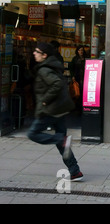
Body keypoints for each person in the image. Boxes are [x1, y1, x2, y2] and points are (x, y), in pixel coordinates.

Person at [27, 42, 83, 181]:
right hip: (59, 110)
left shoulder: (44, 70)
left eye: (37, 51)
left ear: (44, 55)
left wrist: (45, 100)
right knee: (62, 145)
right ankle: (75, 171)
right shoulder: (52, 66)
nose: (34, 53)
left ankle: (61, 139)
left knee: (33, 133)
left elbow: (56, 84)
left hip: (49, 110)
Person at [69, 45, 87, 110]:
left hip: (85, 78)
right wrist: (72, 76)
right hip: (77, 77)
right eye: (79, 50)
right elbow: (71, 68)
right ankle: (77, 107)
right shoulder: (75, 59)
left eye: (82, 50)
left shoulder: (86, 58)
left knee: (84, 92)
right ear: (77, 51)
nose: (81, 51)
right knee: (77, 92)